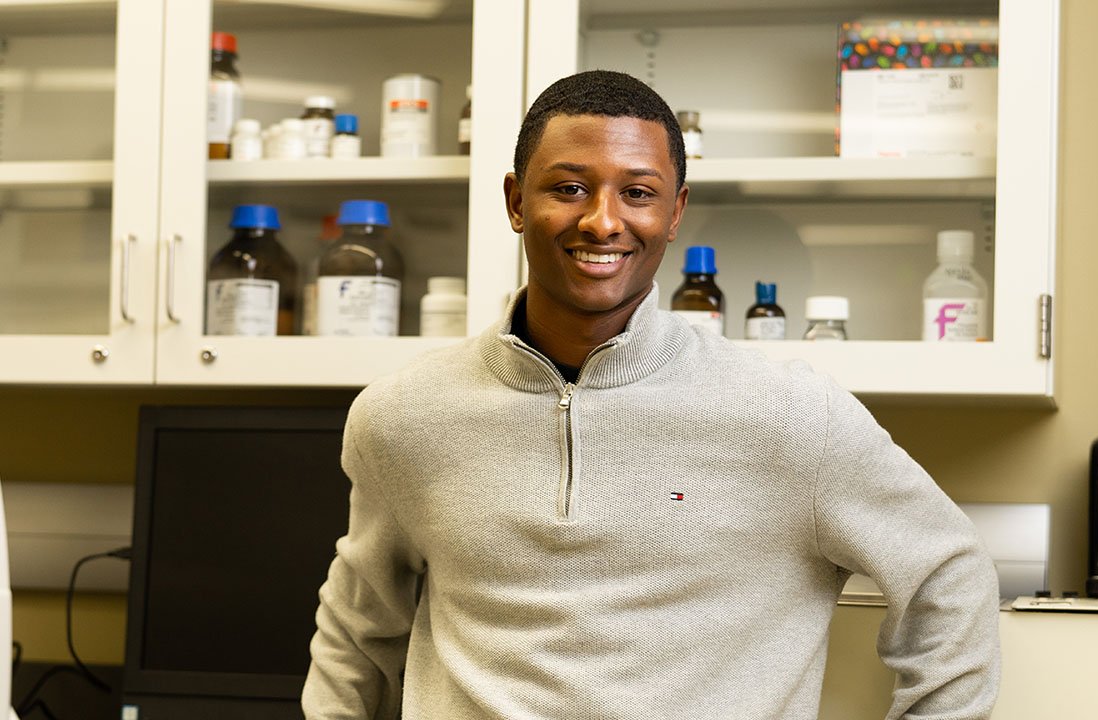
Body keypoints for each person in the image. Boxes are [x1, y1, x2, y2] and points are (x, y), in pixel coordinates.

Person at [303, 70, 1000, 720]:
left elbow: (948, 575)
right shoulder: (402, 416)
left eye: (637, 193)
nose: (602, 221)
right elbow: (358, 631)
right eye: (568, 188)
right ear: (516, 201)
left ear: (674, 212)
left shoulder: (791, 415)